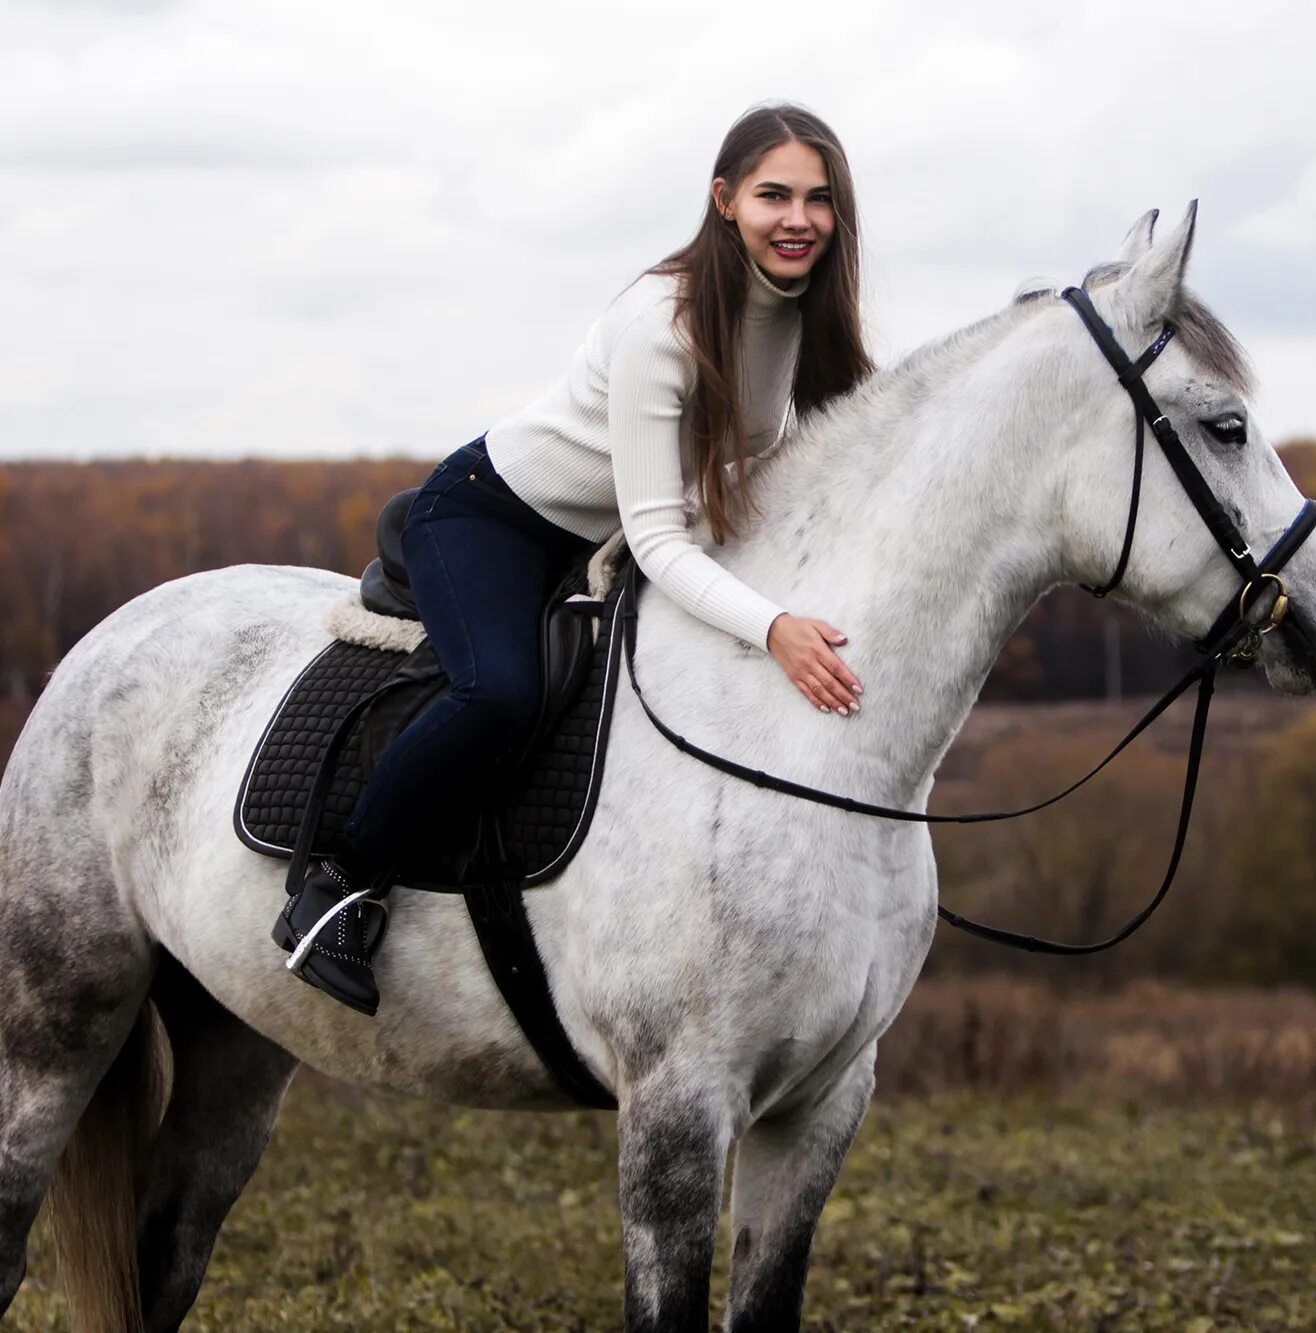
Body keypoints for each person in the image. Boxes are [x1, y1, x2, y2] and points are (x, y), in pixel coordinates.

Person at [272, 102, 875, 1014]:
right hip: (496, 519)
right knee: (500, 694)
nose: (799, 219)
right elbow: (659, 533)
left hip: (623, 527)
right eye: (773, 195)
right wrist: (774, 628)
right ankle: (338, 880)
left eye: (818, 200)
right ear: (723, 200)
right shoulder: (661, 324)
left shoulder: (804, 311)